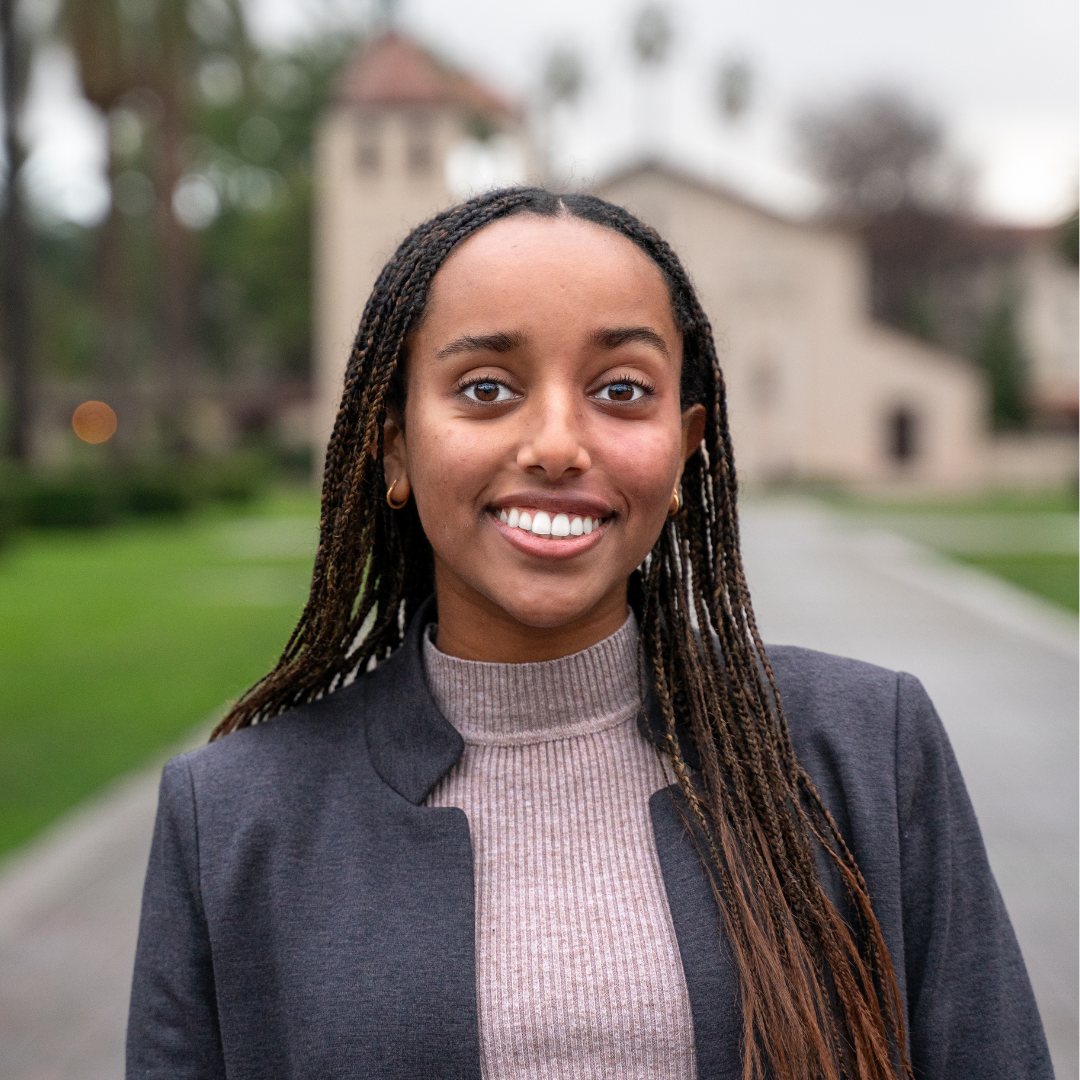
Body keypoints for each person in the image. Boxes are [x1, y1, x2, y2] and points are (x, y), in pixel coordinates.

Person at [126, 189, 1052, 1080]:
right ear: (394, 444)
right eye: (486, 388)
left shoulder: (865, 750)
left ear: (688, 448)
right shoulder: (234, 821)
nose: (559, 443)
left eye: (620, 389)